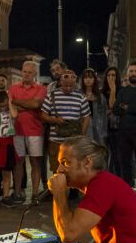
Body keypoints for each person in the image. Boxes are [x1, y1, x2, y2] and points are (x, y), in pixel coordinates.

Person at [40, 70, 91, 202]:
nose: (68, 88)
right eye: (65, 85)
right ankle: (58, 192)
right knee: (56, 166)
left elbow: (86, 117)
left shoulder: (80, 96)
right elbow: (43, 115)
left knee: (74, 166)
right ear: (60, 83)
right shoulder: (51, 96)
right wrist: (55, 120)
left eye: (71, 86)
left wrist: (81, 135)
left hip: (73, 141)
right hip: (56, 140)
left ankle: (73, 192)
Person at [9, 61, 48, 205]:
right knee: (18, 162)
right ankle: (18, 192)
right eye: (24, 71)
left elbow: (36, 104)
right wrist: (29, 105)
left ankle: (35, 194)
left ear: (35, 74)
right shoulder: (13, 87)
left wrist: (17, 102)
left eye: (29, 72)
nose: (26, 74)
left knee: (35, 162)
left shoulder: (41, 88)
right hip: (17, 130)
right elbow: (10, 106)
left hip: (35, 131)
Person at [112, 62, 136, 186]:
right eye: (131, 71)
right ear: (128, 73)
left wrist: (125, 106)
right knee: (125, 161)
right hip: (124, 131)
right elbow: (115, 110)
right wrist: (130, 108)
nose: (133, 74)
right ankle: (128, 188)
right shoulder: (123, 91)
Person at [102, 66, 122, 178]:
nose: (111, 77)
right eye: (109, 75)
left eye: (113, 75)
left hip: (117, 129)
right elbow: (101, 112)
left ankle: (117, 182)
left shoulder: (122, 91)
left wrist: (113, 90)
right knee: (103, 158)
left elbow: (113, 107)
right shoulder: (102, 92)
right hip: (103, 129)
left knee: (117, 158)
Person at [81, 68, 107, 144]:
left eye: (90, 77)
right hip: (83, 126)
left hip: (97, 127)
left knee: (96, 150)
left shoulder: (101, 97)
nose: (88, 80)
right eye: (85, 78)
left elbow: (104, 116)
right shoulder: (79, 95)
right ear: (82, 80)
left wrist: (103, 134)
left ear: (94, 79)